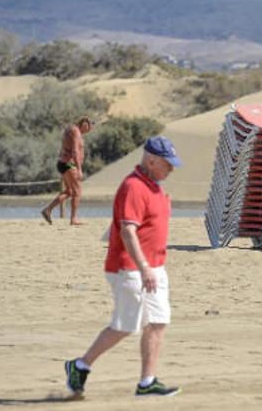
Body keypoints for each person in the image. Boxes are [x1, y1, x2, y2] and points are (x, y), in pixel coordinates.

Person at [64, 136, 182, 397]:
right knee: (125, 325)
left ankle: (147, 382)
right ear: (151, 161)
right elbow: (128, 231)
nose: (171, 169)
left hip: (155, 267)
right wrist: (143, 267)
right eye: (167, 164)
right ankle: (80, 365)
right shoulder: (134, 186)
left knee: (159, 321)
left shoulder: (155, 186)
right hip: (130, 268)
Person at [41, 116, 94, 225]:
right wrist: (79, 169)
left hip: (64, 163)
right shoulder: (75, 131)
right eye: (88, 128)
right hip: (69, 164)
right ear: (85, 124)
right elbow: (75, 151)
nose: (87, 131)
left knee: (69, 191)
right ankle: (73, 219)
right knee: (77, 192)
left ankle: (48, 210)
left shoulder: (71, 129)